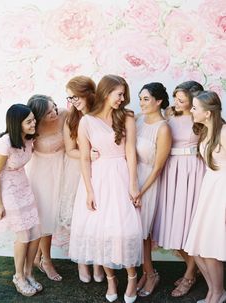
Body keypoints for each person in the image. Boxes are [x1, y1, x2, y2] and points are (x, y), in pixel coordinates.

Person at [69, 74, 142, 303]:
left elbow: (130, 151)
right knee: (100, 230)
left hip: (121, 176)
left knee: (125, 228)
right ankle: (111, 279)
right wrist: (90, 191)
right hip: (97, 179)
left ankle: (131, 277)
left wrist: (132, 183)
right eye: (119, 94)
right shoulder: (86, 121)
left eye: (123, 94)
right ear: (106, 92)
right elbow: (83, 159)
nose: (122, 99)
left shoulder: (127, 117)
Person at [153, 81, 206, 297]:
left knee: (189, 227)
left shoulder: (200, 117)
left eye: (181, 100)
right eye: (176, 98)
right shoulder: (168, 113)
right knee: (174, 226)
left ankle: (190, 274)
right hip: (171, 170)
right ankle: (195, 269)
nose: (176, 102)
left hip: (193, 171)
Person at [0, 104, 42, 297]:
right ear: (16, 124)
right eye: (29, 121)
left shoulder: (30, 139)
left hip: (24, 186)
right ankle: (19, 276)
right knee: (23, 236)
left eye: (34, 119)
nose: (34, 123)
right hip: (8, 191)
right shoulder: (5, 143)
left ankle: (29, 273)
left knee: (36, 233)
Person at [57, 75, 104, 282]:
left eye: (76, 96)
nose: (73, 101)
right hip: (77, 171)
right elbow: (70, 150)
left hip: (102, 171)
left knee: (98, 217)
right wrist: (88, 155)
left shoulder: (102, 115)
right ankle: (82, 263)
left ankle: (98, 263)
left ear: (88, 94)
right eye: (70, 98)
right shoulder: (71, 119)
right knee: (80, 219)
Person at [185, 91, 226, 303]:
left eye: (194, 107)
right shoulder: (205, 132)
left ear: (208, 113)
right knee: (198, 247)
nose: (191, 110)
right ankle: (213, 290)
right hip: (209, 189)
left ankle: (217, 293)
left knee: (210, 247)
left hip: (222, 193)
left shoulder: (225, 132)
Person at [135, 83, 172, 297]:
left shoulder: (163, 128)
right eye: (140, 98)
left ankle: (151, 274)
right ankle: (145, 271)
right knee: (135, 231)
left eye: (146, 99)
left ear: (159, 101)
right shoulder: (138, 120)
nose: (142, 103)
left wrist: (141, 190)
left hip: (149, 181)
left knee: (143, 232)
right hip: (132, 179)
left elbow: (158, 167)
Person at [27, 94, 67, 281]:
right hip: (42, 174)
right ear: (38, 115)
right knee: (45, 218)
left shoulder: (64, 115)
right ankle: (46, 261)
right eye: (49, 111)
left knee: (56, 214)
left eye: (55, 107)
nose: (55, 112)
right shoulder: (31, 128)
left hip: (63, 169)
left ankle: (37, 257)